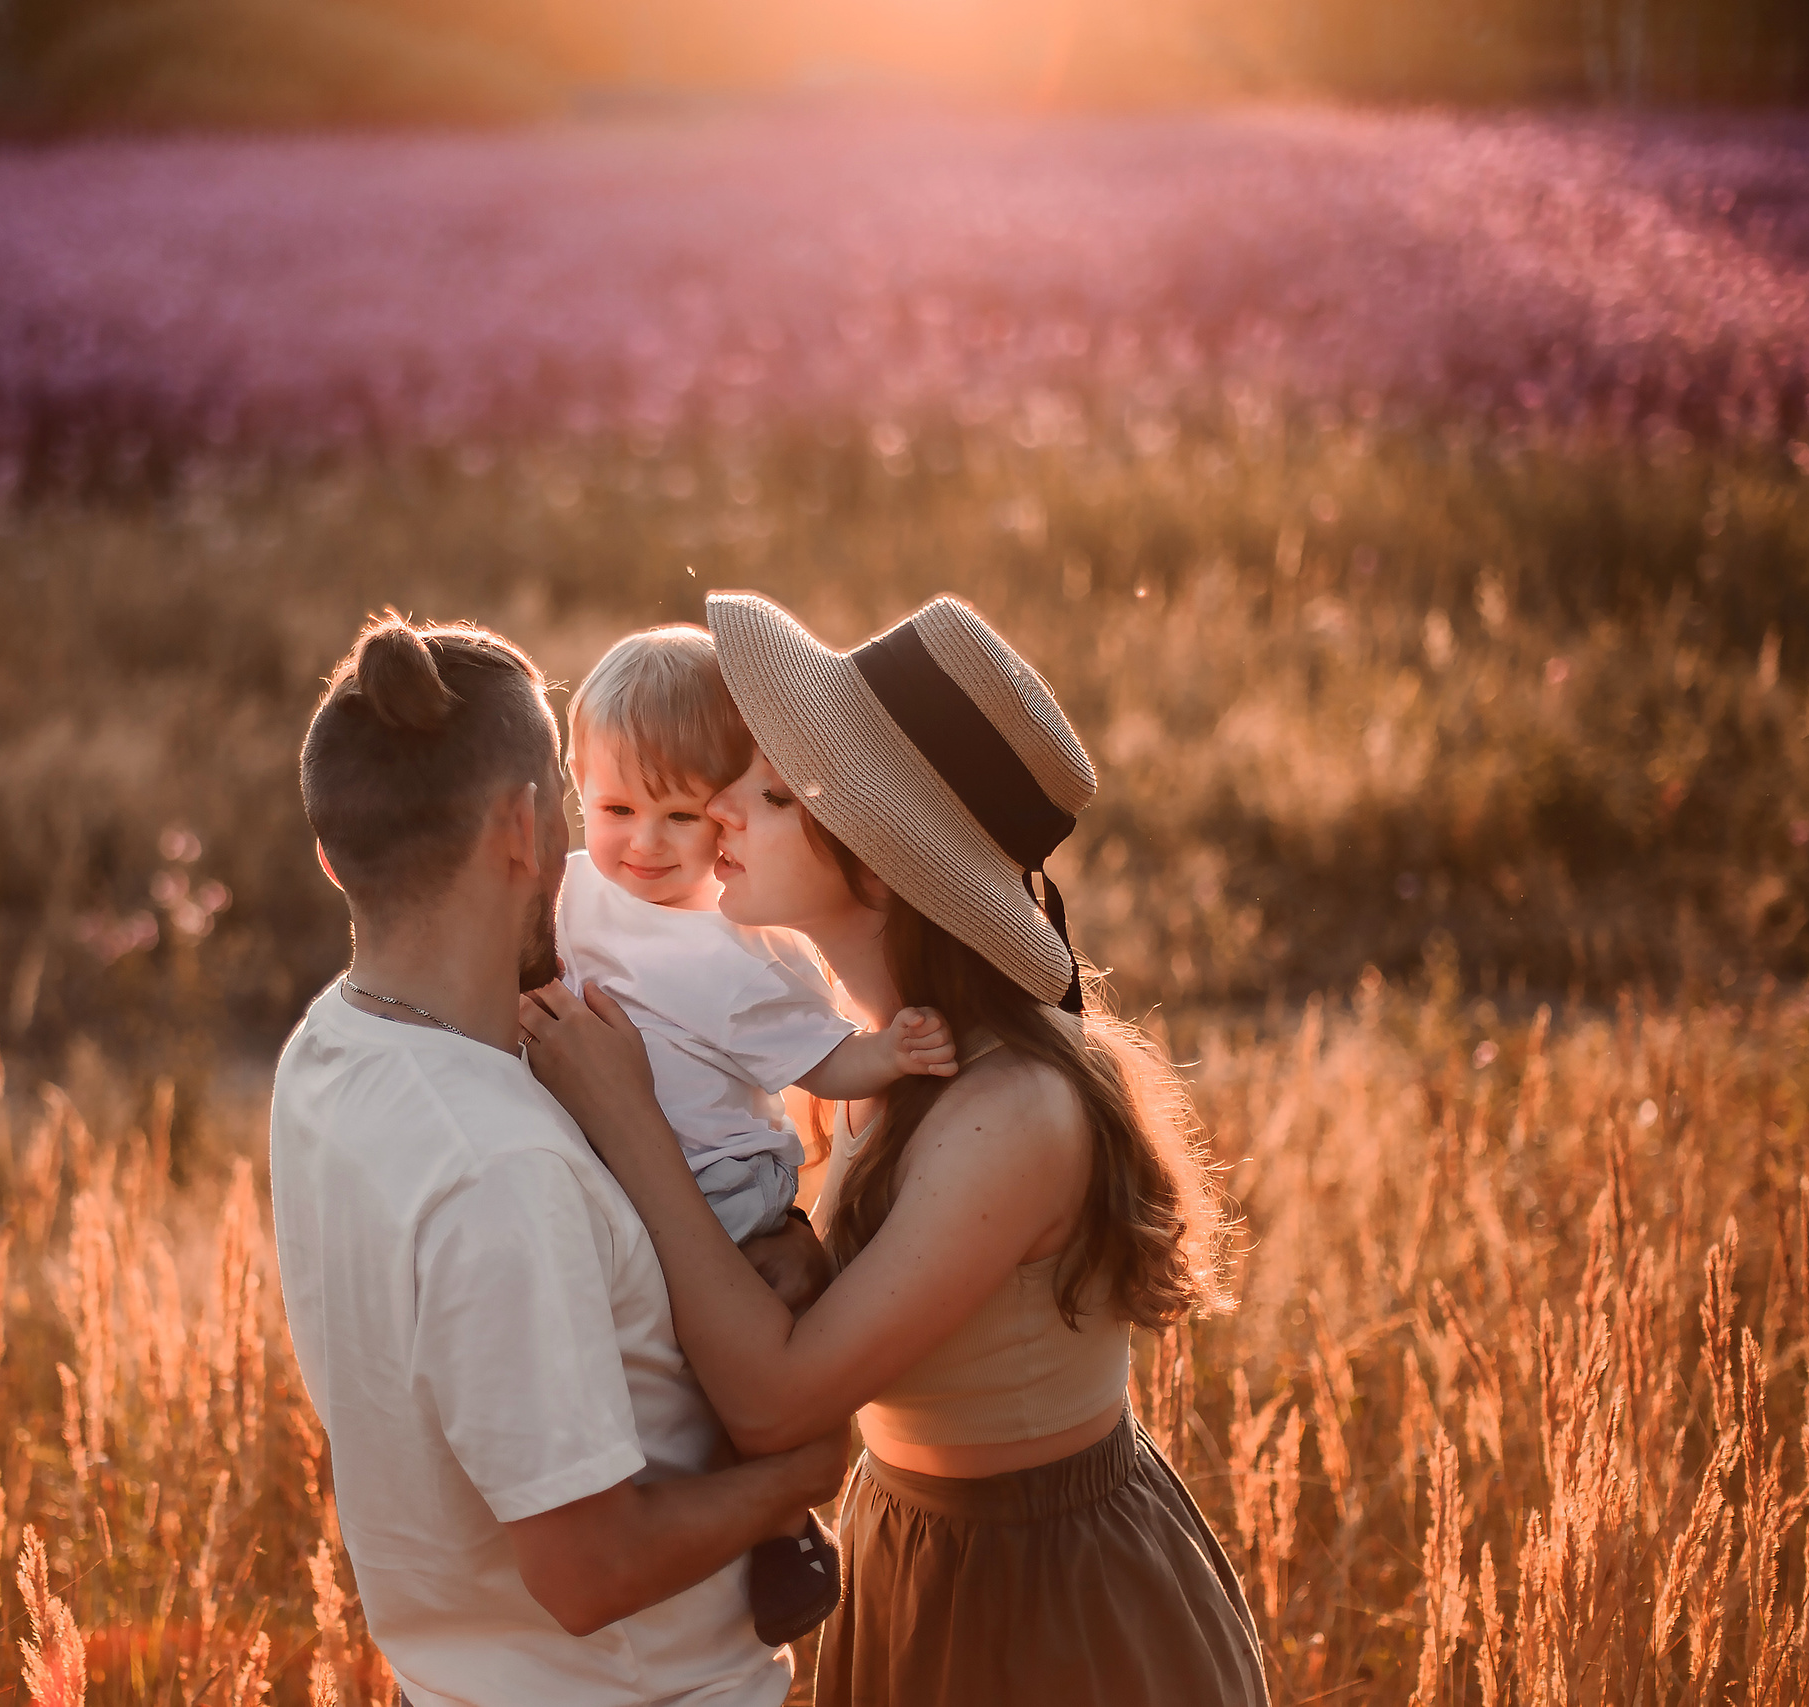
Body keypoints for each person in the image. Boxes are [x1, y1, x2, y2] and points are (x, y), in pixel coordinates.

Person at [521, 593, 1268, 1707]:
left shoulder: (1008, 1112)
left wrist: (629, 1125)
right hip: (915, 1551)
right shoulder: (861, 1054)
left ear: (875, 868)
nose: (721, 805)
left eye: (772, 794)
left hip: (1047, 1601)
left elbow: (779, 1405)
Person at [268, 611, 847, 1707]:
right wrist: (798, 1476)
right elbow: (589, 1569)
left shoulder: (326, 1056)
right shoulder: (503, 1168)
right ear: (527, 830)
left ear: (331, 852)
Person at [556, 623, 961, 1641]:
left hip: (724, 1188)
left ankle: (781, 1521)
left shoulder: (739, 952)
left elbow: (819, 1058)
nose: (641, 845)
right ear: (576, 787)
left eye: (678, 817)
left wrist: (891, 1053)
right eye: (614, 810)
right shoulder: (568, 890)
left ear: (725, 816)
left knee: (745, 1351)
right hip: (603, 1173)